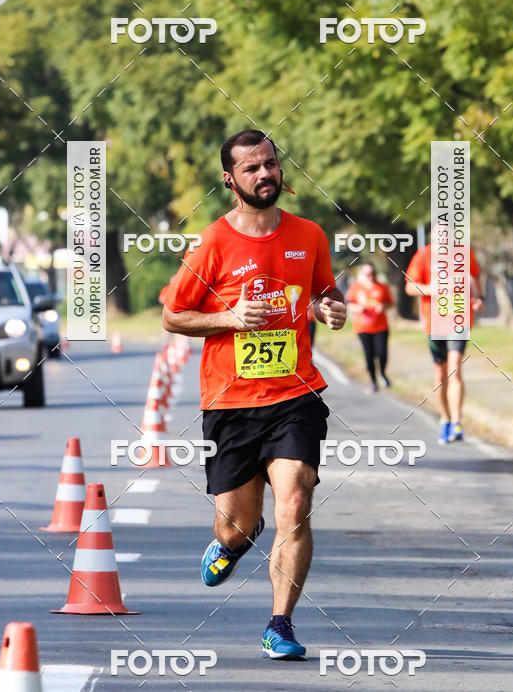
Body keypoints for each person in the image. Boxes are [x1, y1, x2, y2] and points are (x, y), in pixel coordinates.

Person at [162, 129, 347, 660]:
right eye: (250, 168)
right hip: (229, 402)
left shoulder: (309, 234)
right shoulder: (211, 242)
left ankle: (280, 624)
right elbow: (174, 315)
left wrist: (329, 309)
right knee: (236, 524)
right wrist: (229, 317)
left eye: (270, 163)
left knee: (297, 499)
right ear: (230, 179)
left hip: (295, 394)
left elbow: (320, 293)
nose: (264, 174)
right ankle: (233, 543)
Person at [405, 232, 483, 445]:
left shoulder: (464, 253)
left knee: (455, 368)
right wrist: (431, 289)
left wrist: (478, 297)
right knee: (441, 375)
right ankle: (445, 419)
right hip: (434, 322)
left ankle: (457, 422)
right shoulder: (424, 255)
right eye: (439, 236)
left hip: (459, 319)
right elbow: (410, 286)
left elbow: (474, 275)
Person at [346, 263, 393, 393]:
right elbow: (348, 304)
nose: (370, 276)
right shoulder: (356, 287)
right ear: (362, 274)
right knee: (369, 355)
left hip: (381, 326)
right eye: (367, 274)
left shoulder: (382, 287)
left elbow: (389, 304)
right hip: (362, 327)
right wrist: (359, 308)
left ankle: (382, 372)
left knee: (382, 353)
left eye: (372, 273)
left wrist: (383, 306)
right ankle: (373, 382)